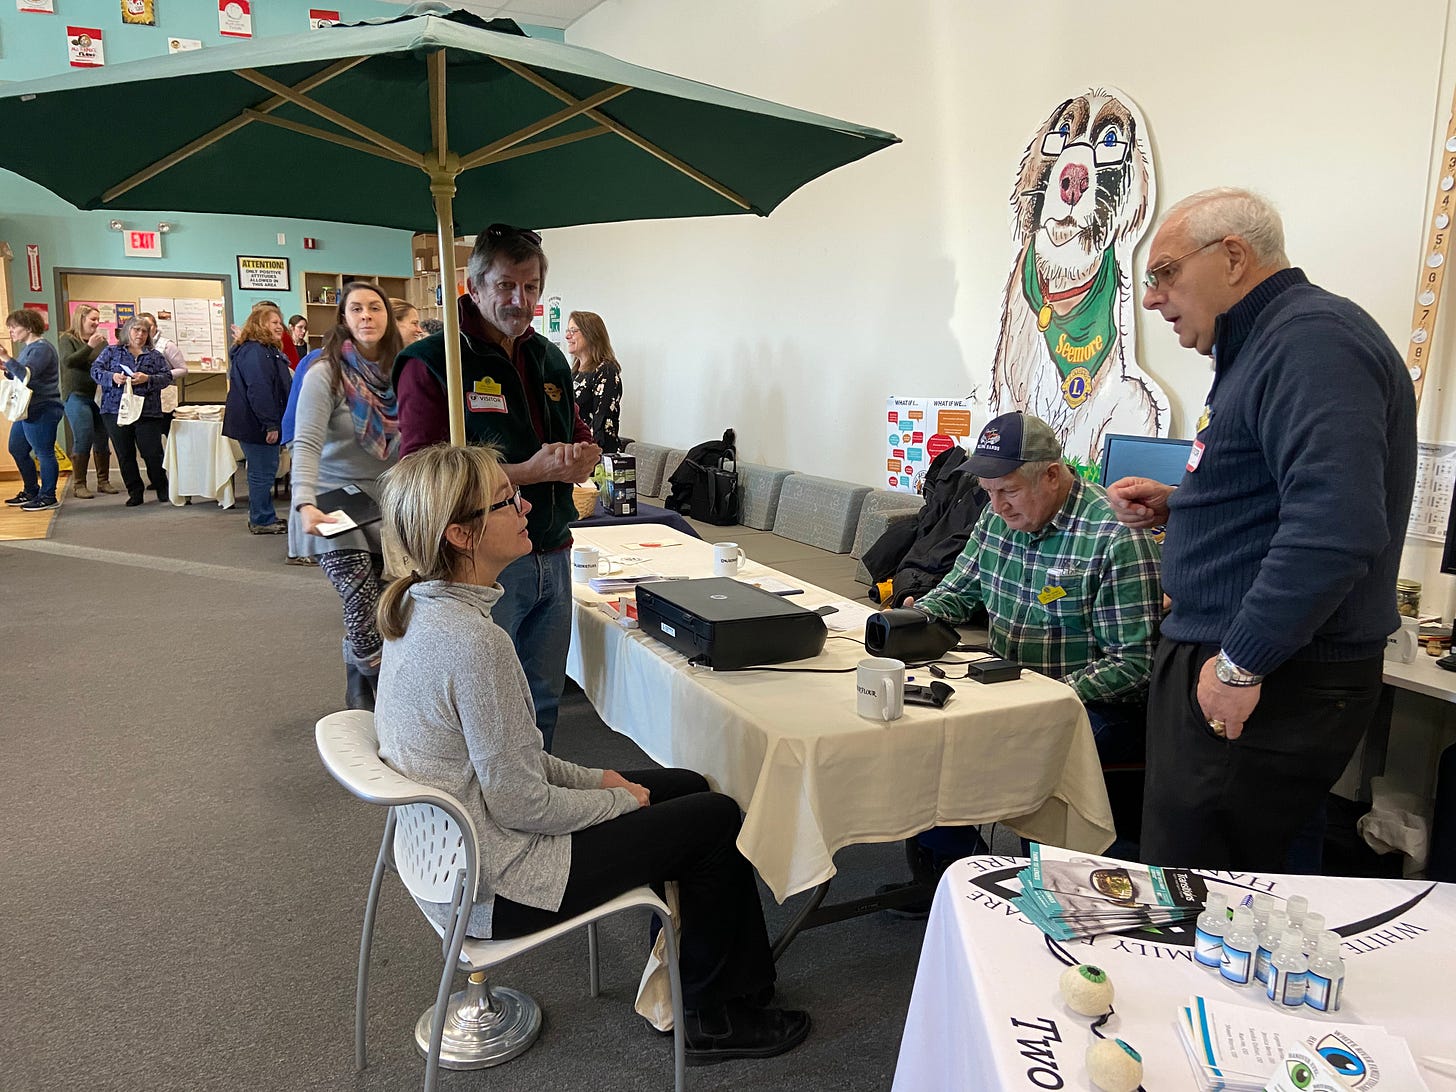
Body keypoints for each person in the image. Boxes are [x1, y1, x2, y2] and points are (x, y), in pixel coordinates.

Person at [373, 443, 811, 1065]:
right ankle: (714, 1017)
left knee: (687, 786)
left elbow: (515, 759)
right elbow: (521, 801)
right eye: (507, 501)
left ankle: (693, 976)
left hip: (454, 861)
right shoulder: (473, 644)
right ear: (462, 535)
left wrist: (602, 778)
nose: (526, 507)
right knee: (714, 821)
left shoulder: (417, 608)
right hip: (499, 883)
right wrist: (618, 802)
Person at [1108, 187, 1417, 872]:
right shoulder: (1265, 344)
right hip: (1250, 657)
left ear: (1233, 257)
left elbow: (1336, 527)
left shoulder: (1311, 342)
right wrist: (1188, 504)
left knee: (1209, 886)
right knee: (1230, 874)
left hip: (1269, 667)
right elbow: (1283, 492)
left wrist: (1242, 661)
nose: (1152, 299)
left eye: (1163, 274)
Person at [394, 223, 601, 752]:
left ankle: (534, 792)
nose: (520, 300)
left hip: (552, 548)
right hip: (481, 560)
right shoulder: (432, 362)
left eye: (531, 287)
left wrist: (584, 455)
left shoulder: (549, 358)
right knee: (484, 706)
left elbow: (575, 430)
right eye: (506, 285)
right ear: (474, 285)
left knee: (543, 698)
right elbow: (420, 477)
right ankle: (484, 801)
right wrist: (528, 471)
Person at [289, 282, 403, 711]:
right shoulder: (326, 373)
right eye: (356, 309)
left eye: (375, 307)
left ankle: (358, 684)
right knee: (360, 604)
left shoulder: (401, 372)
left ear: (388, 316)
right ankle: (386, 697)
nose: (366, 315)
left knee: (386, 605)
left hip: (386, 505)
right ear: (343, 318)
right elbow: (305, 442)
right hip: (331, 502)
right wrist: (304, 502)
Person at [223, 303, 293, 533]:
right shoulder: (255, 352)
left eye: (280, 322)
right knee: (262, 472)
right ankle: (262, 519)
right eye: (274, 323)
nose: (279, 327)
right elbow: (259, 390)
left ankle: (263, 516)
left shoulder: (263, 350)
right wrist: (270, 424)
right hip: (257, 424)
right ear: (260, 325)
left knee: (263, 470)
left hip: (257, 422)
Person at [90, 318, 173, 507]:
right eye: (136, 330)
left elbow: (167, 377)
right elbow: (95, 371)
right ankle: (135, 491)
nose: (140, 334)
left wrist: (147, 379)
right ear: (128, 331)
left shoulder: (154, 355)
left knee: (152, 453)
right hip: (115, 410)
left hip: (147, 411)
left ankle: (161, 486)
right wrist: (112, 377)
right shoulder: (111, 351)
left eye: (144, 331)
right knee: (125, 454)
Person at [2, 308, 65, 511]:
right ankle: (31, 490)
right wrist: (7, 368)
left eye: (14, 327)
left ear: (29, 328)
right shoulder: (29, 348)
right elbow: (20, 375)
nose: (11, 331)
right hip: (27, 408)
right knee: (17, 448)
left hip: (43, 408)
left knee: (44, 452)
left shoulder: (41, 349)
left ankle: (48, 496)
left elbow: (26, 376)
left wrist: (6, 358)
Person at [56, 305, 117, 499]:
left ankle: (103, 481)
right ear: (81, 319)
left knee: (102, 437)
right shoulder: (67, 339)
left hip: (98, 396)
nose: (97, 323)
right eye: (93, 319)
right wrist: (89, 346)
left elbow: (108, 364)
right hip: (76, 395)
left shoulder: (101, 342)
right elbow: (69, 362)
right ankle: (79, 484)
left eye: (98, 319)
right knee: (83, 435)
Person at [565, 310, 624, 452]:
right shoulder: (574, 373)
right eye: (567, 331)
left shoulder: (606, 371)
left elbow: (602, 423)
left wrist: (588, 456)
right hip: (573, 451)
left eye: (573, 331)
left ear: (590, 334)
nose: (567, 336)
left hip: (593, 454)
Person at [138, 312, 188, 434]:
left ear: (155, 326)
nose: (146, 329)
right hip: (142, 395)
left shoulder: (167, 345)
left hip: (164, 394)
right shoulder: (135, 345)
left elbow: (183, 369)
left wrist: (160, 376)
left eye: (149, 325)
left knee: (165, 429)